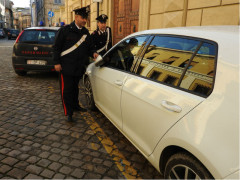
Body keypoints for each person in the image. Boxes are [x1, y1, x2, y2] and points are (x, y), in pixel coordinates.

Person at [53, 7, 98, 122]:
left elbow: (90, 47)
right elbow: (56, 47)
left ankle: (75, 106)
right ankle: (69, 112)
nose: (85, 20)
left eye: (86, 18)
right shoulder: (65, 30)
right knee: (67, 90)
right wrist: (56, 62)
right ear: (76, 17)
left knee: (75, 88)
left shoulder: (85, 32)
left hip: (78, 67)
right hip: (66, 67)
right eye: (83, 18)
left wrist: (93, 53)